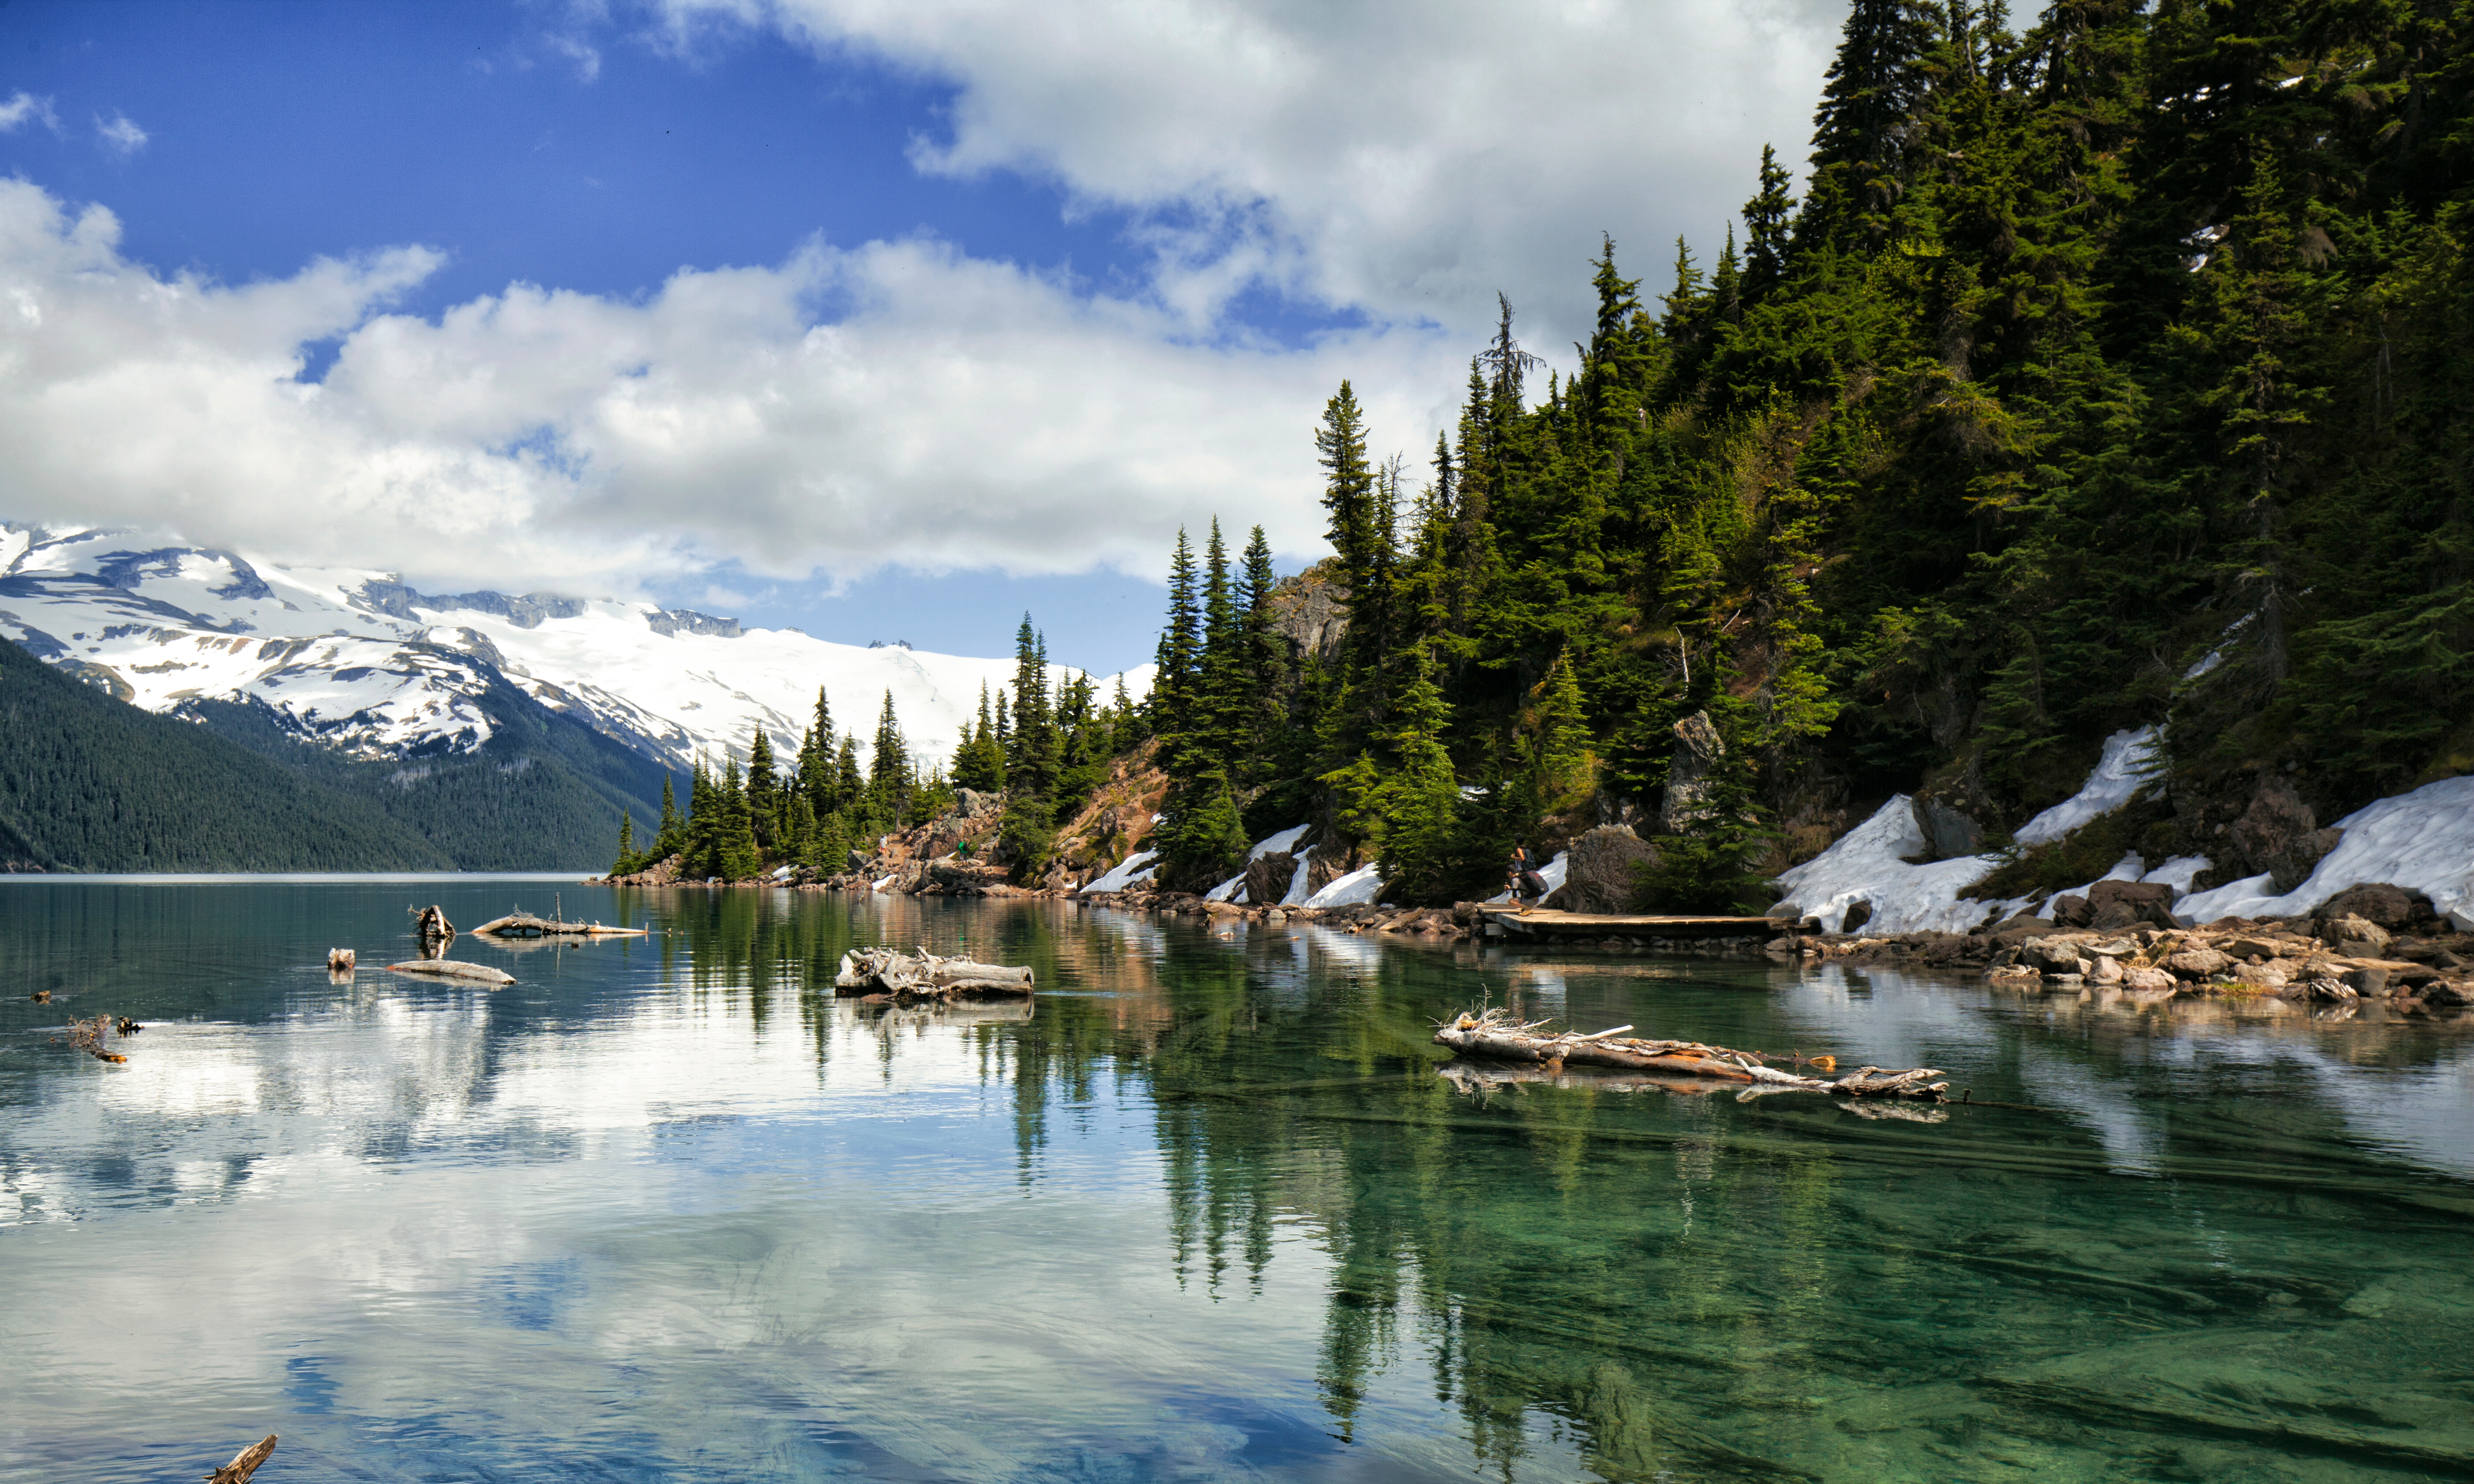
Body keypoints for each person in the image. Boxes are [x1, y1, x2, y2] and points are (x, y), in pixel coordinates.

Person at [1507, 844, 1548, 911]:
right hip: (1535, 899)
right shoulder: (1522, 877)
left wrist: (1517, 904)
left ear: (1510, 873)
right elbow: (1523, 888)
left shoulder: (1515, 880)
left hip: (1529, 900)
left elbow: (1514, 894)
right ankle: (1526, 907)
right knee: (1519, 900)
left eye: (1508, 874)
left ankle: (1527, 908)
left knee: (1511, 901)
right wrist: (1510, 888)